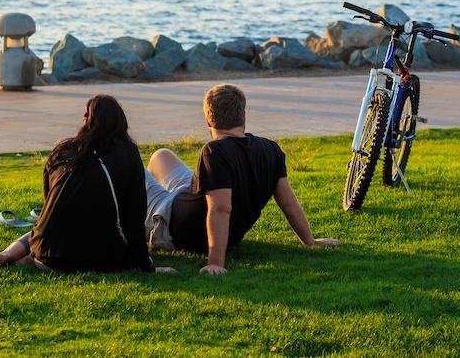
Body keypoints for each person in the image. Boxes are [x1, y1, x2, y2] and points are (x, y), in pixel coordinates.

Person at [144, 84, 339, 275]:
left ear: (208, 120)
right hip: (186, 198)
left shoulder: (214, 152)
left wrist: (216, 263)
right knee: (161, 155)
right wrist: (309, 241)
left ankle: (137, 222)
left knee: (138, 169)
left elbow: (220, 208)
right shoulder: (271, 149)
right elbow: (288, 201)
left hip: (170, 224)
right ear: (243, 115)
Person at [0, 94, 157, 274]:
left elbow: (49, 203)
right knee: (92, 233)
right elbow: (134, 215)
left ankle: (8, 255)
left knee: (43, 228)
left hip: (45, 255)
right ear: (121, 121)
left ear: (86, 120)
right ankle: (26, 259)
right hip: (97, 260)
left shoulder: (63, 150)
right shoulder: (129, 154)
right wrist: (145, 264)